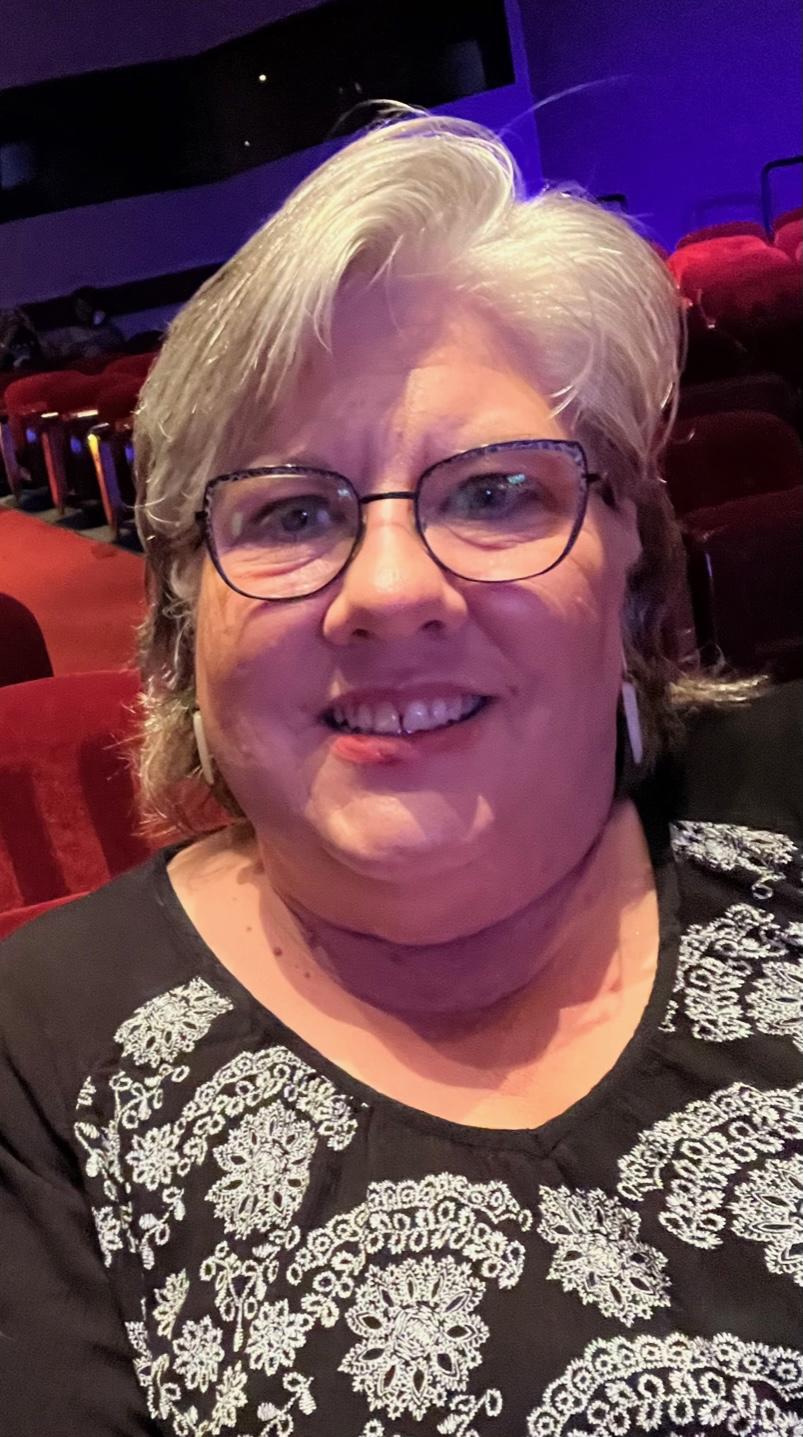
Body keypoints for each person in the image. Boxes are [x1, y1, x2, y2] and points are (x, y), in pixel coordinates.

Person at [1, 112, 801, 1436]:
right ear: (185, 620)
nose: (387, 589)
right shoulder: (35, 1057)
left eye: (493, 494)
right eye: (291, 512)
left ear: (632, 561)